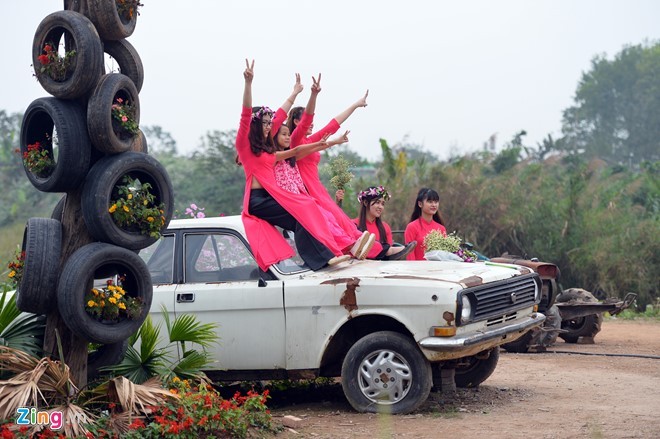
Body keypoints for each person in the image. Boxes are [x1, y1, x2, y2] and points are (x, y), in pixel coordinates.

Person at [235, 60, 374, 271]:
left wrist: (322, 142)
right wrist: (248, 82)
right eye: (264, 123)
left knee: (305, 216)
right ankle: (327, 256)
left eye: (268, 124)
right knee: (307, 208)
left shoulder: (268, 150)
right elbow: (246, 113)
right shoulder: (245, 147)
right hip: (257, 201)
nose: (268, 126)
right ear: (255, 125)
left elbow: (294, 148)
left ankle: (325, 257)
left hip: (275, 197)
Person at [354, 186, 417, 260]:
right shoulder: (353, 224)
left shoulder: (385, 227)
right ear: (365, 202)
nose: (380, 207)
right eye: (377, 202)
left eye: (383, 204)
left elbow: (388, 254)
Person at [404, 188, 447, 260]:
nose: (434, 205)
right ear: (420, 204)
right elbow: (410, 255)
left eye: (436, 202)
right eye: (430, 202)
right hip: (418, 270)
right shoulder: (412, 227)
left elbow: (445, 254)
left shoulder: (441, 229)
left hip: (437, 269)